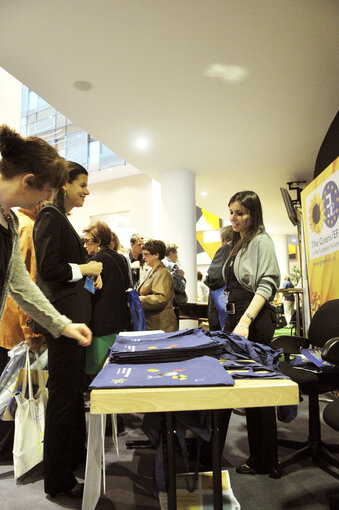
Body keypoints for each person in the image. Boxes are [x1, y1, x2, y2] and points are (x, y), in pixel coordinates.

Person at [0, 126, 93, 468]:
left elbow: (20, 283)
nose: (45, 200)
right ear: (28, 181)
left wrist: (63, 325)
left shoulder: (8, 222)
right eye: (47, 191)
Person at [33, 161, 103, 498]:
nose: (87, 191)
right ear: (64, 185)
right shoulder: (50, 216)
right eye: (82, 185)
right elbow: (49, 268)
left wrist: (89, 275)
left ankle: (72, 463)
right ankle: (58, 480)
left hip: (73, 325)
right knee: (63, 397)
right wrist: (86, 267)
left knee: (72, 394)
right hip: (62, 324)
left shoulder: (60, 220)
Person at [222, 190, 280, 476]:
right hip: (237, 318)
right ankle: (260, 455)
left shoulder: (261, 241)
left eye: (240, 213)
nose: (233, 218)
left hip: (253, 320)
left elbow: (267, 285)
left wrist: (244, 321)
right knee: (247, 391)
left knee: (258, 393)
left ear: (253, 214)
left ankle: (264, 459)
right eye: (231, 211)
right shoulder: (239, 242)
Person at [0, 206, 45, 462]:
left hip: (10, 323)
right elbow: (26, 282)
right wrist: (30, 328)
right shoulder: (27, 227)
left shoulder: (18, 223)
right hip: (18, 327)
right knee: (14, 392)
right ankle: (9, 449)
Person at [83, 221, 131, 376]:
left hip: (101, 327)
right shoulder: (122, 259)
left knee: (98, 373)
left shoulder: (93, 263)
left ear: (97, 241)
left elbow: (88, 292)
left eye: (87, 241)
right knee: (117, 372)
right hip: (121, 323)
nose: (85, 245)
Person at [138, 240, 177, 332]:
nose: (144, 257)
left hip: (161, 326)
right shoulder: (151, 272)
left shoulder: (163, 273)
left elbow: (160, 298)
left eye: (146, 254)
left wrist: (137, 299)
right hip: (152, 323)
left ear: (156, 255)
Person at [205, 225, 233, 330]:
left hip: (222, 305)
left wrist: (206, 280)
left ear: (222, 238)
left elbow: (214, 277)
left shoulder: (226, 249)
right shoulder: (242, 249)